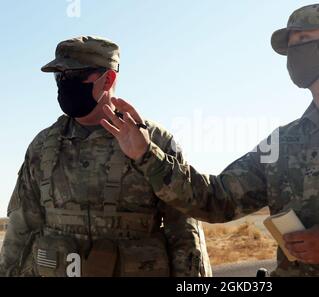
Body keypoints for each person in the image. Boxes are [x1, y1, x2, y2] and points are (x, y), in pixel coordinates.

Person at [100, 2, 319, 276]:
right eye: (291, 47)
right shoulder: (286, 140)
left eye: (304, 41)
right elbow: (216, 199)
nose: (294, 54)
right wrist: (146, 154)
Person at [0, 36, 211, 277]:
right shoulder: (42, 147)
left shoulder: (153, 143)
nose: (63, 83)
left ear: (108, 78)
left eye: (74, 75)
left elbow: (184, 233)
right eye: (59, 75)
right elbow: (20, 231)